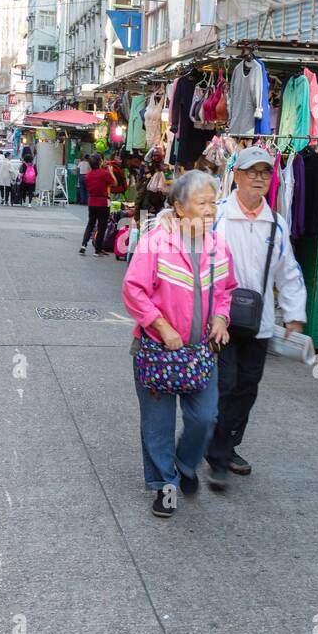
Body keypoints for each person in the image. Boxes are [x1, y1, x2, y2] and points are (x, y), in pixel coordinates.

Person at [122, 170, 236, 517]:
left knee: (205, 417)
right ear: (179, 207)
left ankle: (186, 465)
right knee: (157, 425)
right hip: (157, 349)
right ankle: (165, 486)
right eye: (201, 203)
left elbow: (226, 291)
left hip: (201, 351)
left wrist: (221, 318)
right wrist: (161, 325)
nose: (209, 211)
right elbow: (133, 289)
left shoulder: (217, 246)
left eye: (213, 203)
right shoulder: (157, 242)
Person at [206, 145, 308, 490]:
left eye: (265, 173)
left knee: (248, 387)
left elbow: (289, 273)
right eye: (252, 172)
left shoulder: (276, 224)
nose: (259, 178)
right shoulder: (217, 216)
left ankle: (227, 444)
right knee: (225, 385)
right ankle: (217, 456)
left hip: (259, 322)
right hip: (220, 319)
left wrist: (294, 315)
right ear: (236, 176)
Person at [79, 154, 116, 254]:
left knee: (90, 224)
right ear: (99, 162)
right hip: (103, 202)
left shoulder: (88, 175)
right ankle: (97, 250)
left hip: (91, 202)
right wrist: (111, 172)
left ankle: (83, 245)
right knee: (102, 226)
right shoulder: (104, 173)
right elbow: (114, 183)